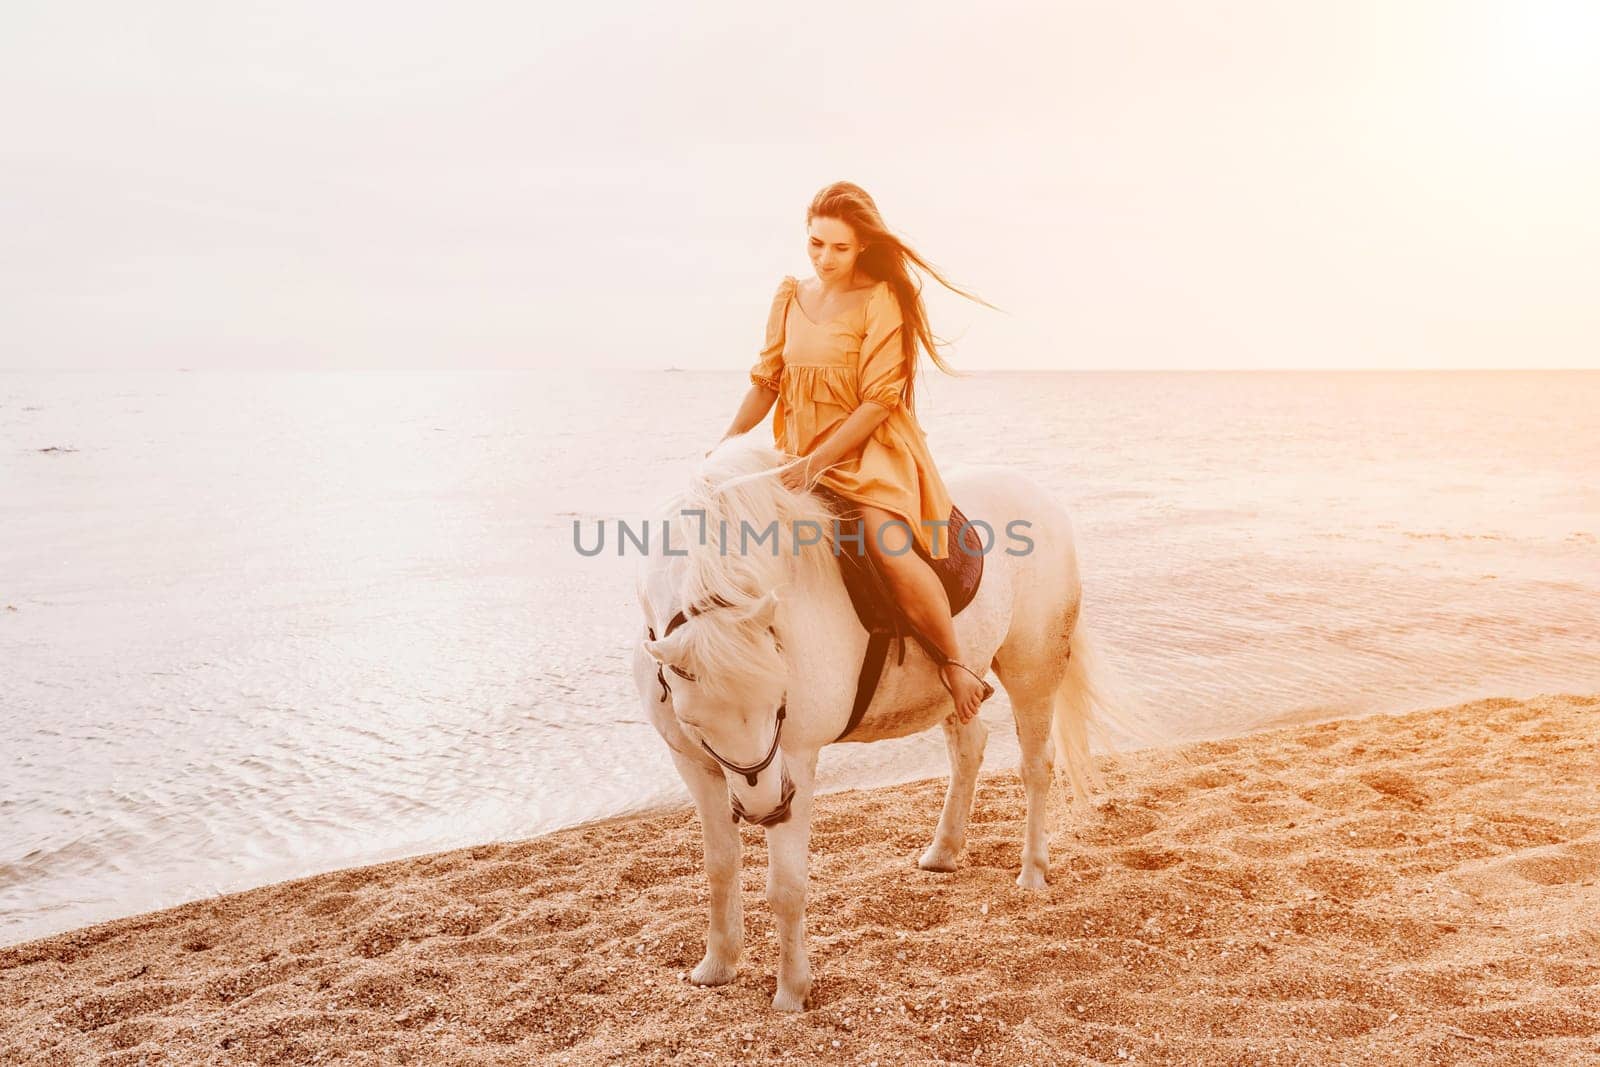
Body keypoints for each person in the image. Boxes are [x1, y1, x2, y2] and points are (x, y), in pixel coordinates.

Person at [713, 181, 999, 724]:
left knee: (884, 542)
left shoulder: (881, 300)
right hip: (796, 449)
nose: (825, 258)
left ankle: (957, 664)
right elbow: (767, 383)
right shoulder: (789, 296)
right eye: (816, 244)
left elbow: (876, 402)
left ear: (863, 245)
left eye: (839, 248)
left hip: (869, 450)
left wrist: (814, 464)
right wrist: (724, 446)